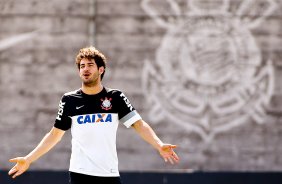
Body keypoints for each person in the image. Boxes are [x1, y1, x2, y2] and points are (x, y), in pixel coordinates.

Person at [8, 46, 179, 184]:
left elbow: (139, 124)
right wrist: (28, 159)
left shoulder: (115, 97)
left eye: (90, 65)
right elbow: (54, 135)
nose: (85, 69)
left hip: (109, 174)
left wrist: (159, 144)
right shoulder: (69, 100)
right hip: (79, 174)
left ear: (101, 69)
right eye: (82, 66)